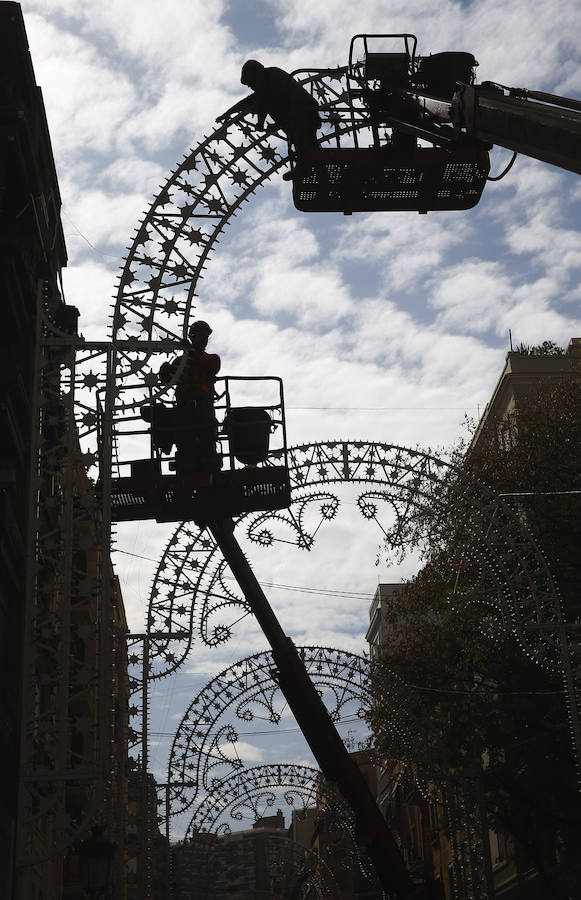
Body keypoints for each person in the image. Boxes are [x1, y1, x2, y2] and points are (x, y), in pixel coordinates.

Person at [217, 60, 321, 177]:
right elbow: (256, 101)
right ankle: (315, 166)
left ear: (257, 74)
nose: (251, 87)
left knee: (302, 140)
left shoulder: (273, 77)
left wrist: (264, 123)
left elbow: (265, 101)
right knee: (306, 143)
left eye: (250, 83)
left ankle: (305, 166)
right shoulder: (268, 80)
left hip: (303, 113)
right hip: (301, 114)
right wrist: (228, 113)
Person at [157, 320, 221, 473]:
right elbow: (168, 378)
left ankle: (208, 468)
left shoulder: (211, 358)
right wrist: (165, 371)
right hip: (184, 410)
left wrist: (190, 351)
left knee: (207, 445)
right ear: (193, 337)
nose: (204, 339)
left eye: (205, 336)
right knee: (185, 445)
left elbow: (212, 367)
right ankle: (186, 468)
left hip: (204, 408)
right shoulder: (180, 361)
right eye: (201, 335)